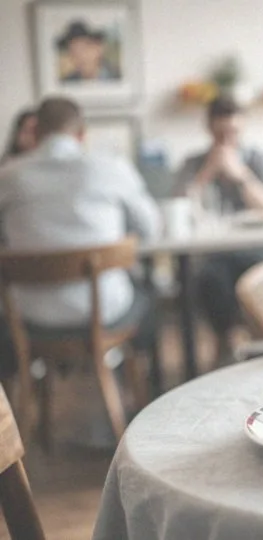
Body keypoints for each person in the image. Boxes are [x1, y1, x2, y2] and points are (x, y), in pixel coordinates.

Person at [0, 97, 161, 376]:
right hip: (106, 311)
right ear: (82, 133)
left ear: (36, 132)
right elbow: (151, 228)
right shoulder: (111, 167)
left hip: (28, 315)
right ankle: (142, 386)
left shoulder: (7, 176)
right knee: (150, 293)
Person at [176, 97, 263, 359]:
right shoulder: (193, 162)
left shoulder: (259, 159)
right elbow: (179, 209)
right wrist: (208, 172)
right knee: (210, 278)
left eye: (233, 132)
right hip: (214, 253)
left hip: (257, 250)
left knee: (259, 276)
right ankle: (228, 340)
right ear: (208, 128)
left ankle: (251, 342)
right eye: (220, 132)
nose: (226, 139)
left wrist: (241, 175)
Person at [57, 20, 121, 82]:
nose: (81, 57)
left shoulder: (118, 78)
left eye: (84, 49)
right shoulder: (68, 82)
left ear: (99, 48)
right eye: (74, 52)